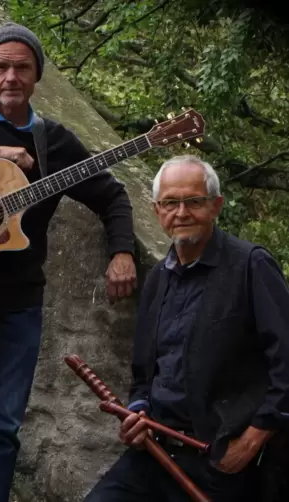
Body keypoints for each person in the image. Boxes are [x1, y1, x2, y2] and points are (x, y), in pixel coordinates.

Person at [0, 22, 138, 502]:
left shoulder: (54, 143)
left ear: (36, 77)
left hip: (18, 306)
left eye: (22, 68)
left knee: (2, 428)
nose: (11, 76)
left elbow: (112, 195)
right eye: (2, 67)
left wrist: (122, 251)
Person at [83, 155, 289, 502]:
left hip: (221, 459)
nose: (181, 213)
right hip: (153, 452)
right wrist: (137, 412)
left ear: (216, 206)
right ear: (156, 210)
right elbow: (144, 375)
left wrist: (249, 442)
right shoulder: (158, 279)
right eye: (170, 203)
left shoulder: (251, 266)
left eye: (194, 201)